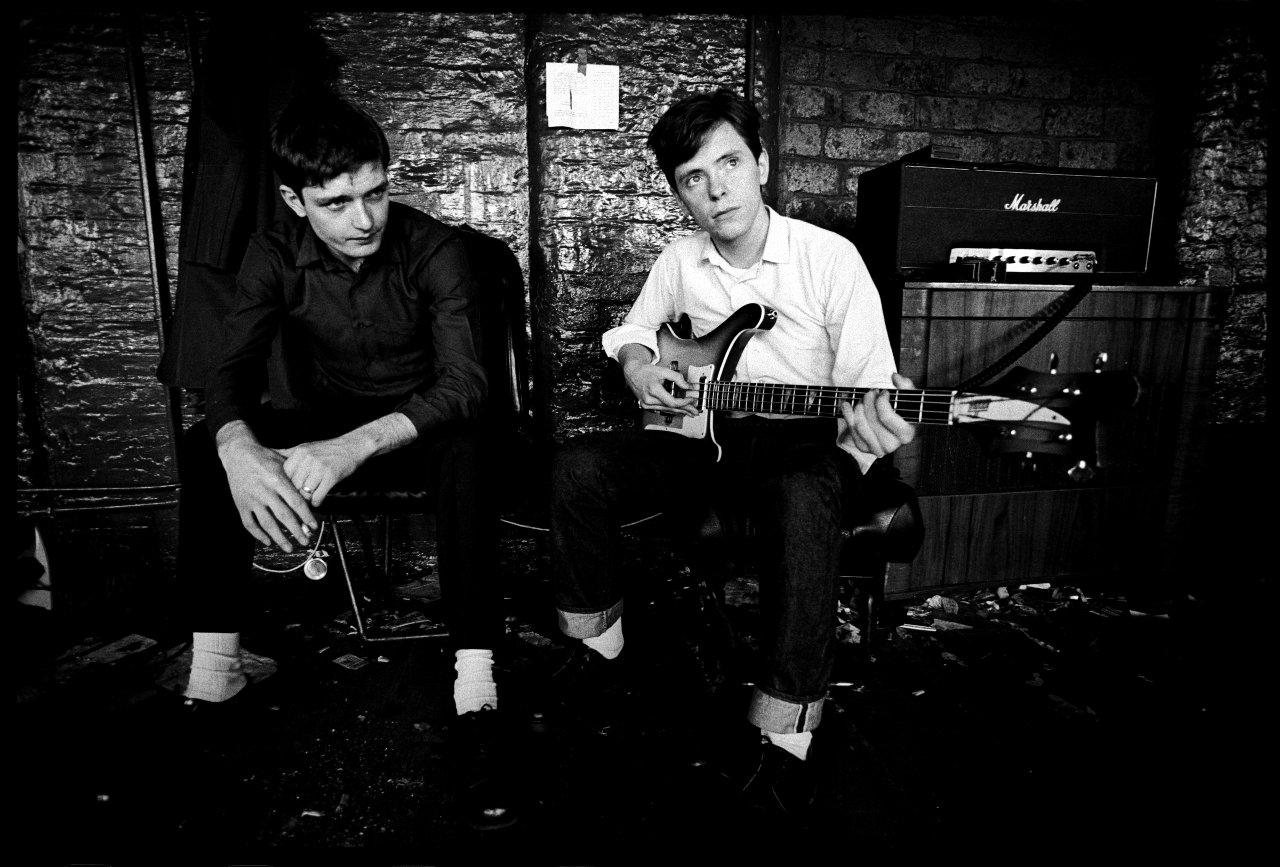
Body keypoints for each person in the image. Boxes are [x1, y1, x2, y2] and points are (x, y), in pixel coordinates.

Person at [548, 88, 916, 817]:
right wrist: (641, 367)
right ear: (678, 192)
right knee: (575, 469)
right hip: (704, 438)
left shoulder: (830, 258)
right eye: (693, 177)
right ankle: (604, 653)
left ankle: (786, 734)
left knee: (803, 491)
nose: (717, 189)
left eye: (730, 163)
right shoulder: (680, 260)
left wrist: (877, 424)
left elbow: (873, 386)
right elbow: (630, 334)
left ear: (762, 163)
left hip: (809, 441)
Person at [174, 90, 517, 829]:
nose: (364, 219)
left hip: (418, 426)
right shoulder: (272, 251)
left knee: (470, 446)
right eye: (336, 203)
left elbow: (464, 384)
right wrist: (238, 447)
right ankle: (215, 667)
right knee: (209, 446)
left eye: (376, 192)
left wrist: (353, 446)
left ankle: (477, 680)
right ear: (295, 200)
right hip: (325, 419)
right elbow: (226, 370)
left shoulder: (435, 248)